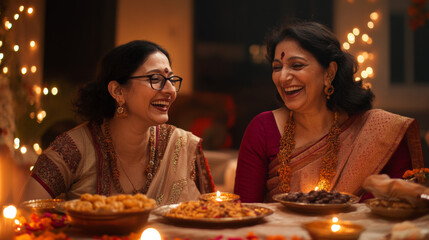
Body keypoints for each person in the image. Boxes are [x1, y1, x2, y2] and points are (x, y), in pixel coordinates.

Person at [234, 21, 424, 203]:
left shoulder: (379, 133)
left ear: (329, 73)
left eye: (297, 65)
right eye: (277, 67)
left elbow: (403, 209)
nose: (283, 77)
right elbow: (243, 213)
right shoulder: (263, 129)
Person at [20, 40, 215, 205]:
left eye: (171, 79)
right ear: (118, 91)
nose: (171, 90)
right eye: (156, 78)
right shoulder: (72, 149)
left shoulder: (181, 145)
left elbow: (211, 217)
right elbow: (25, 217)